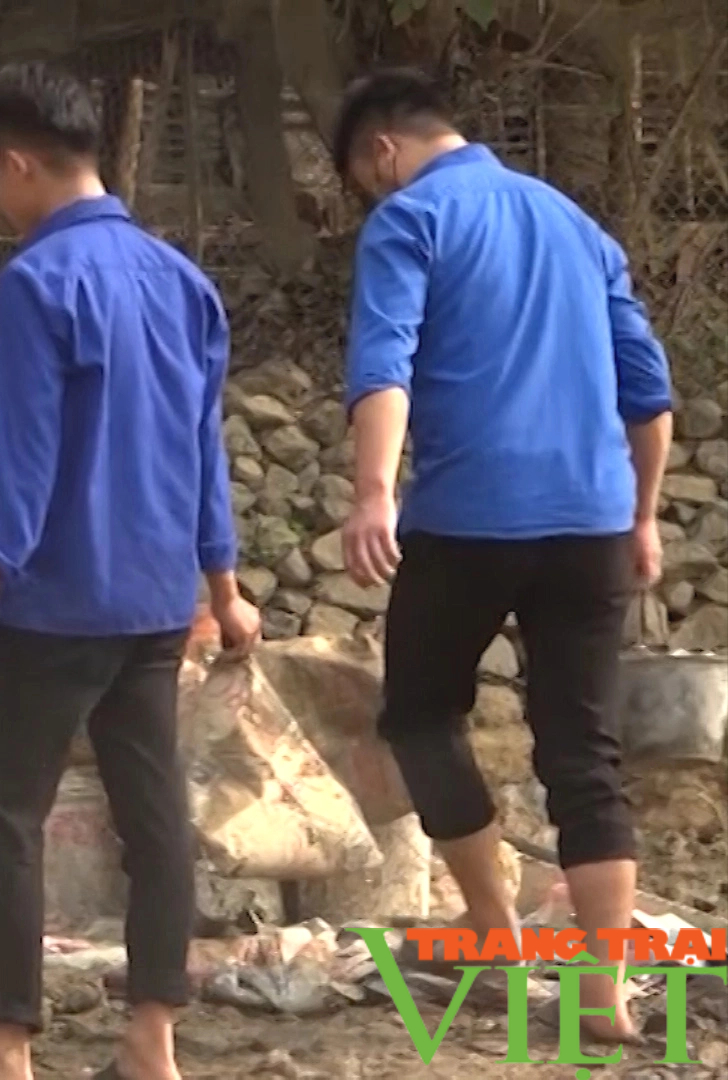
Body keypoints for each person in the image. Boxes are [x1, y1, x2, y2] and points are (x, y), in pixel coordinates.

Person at [0, 63, 257, 1080]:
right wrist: (224, 586)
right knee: (154, 815)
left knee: (1, 811)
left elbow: (20, 459)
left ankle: (3, 1041)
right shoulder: (183, 280)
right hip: (157, 601)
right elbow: (207, 451)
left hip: (59, 599)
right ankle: (151, 1037)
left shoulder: (37, 283)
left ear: (16, 162)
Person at [332, 70, 672, 1043]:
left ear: (382, 152)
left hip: (472, 516)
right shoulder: (576, 225)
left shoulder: (410, 222)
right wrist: (643, 517)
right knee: (582, 748)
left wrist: (371, 493)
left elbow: (384, 359)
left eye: (366, 179)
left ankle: (498, 938)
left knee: (423, 712)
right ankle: (604, 990)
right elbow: (647, 393)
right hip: (594, 520)